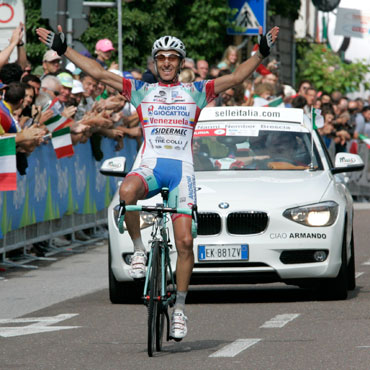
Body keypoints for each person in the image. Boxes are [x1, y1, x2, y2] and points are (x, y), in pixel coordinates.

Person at [36, 24, 279, 340]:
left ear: (180, 62)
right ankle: (139, 250)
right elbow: (97, 72)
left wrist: (261, 51)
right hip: (150, 166)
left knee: (186, 243)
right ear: (155, 62)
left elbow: (234, 78)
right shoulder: (141, 90)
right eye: (161, 57)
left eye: (172, 57)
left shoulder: (195, 92)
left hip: (181, 172)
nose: (166, 62)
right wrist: (63, 46)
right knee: (126, 190)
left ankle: (179, 309)